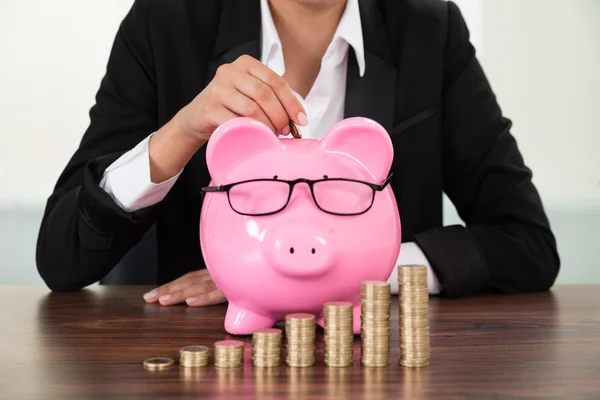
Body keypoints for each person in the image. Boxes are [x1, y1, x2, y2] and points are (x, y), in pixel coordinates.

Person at [36, 0, 560, 306]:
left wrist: (361, 271)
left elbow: (527, 243)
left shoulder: (429, 26)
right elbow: (61, 259)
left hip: (365, 362)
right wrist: (184, 130)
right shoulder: (167, 19)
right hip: (186, 353)